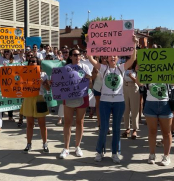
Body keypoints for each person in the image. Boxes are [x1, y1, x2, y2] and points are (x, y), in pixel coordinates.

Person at [88, 35, 138, 163]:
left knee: (116, 129)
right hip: (104, 102)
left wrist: (134, 44)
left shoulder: (121, 68)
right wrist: (89, 44)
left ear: (118, 58)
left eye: (115, 55)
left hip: (118, 103)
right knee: (104, 128)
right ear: (107, 58)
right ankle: (99, 152)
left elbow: (133, 58)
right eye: (110, 55)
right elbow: (90, 58)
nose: (113, 57)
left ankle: (115, 153)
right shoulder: (103, 68)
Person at [58, 49, 92, 159]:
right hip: (68, 98)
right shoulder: (65, 68)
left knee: (80, 122)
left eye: (79, 54)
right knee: (67, 122)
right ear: (71, 57)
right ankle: (66, 148)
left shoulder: (85, 67)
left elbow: (90, 85)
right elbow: (60, 83)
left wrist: (89, 78)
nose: (77, 56)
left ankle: (77, 146)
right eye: (75, 55)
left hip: (82, 97)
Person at [21, 56, 51, 153]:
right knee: (29, 124)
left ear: (37, 63)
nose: (31, 62)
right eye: (29, 61)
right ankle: (28, 144)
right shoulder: (24, 73)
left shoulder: (43, 74)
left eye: (33, 61)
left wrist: (43, 83)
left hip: (39, 99)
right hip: (28, 99)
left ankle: (45, 143)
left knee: (42, 124)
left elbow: (48, 89)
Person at [142, 83, 174, 166]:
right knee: (152, 131)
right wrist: (139, 71)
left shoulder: (168, 70)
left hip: (165, 104)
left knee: (166, 132)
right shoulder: (148, 71)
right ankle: (152, 155)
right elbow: (139, 83)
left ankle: (166, 156)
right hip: (150, 104)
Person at [122, 60, 140, 140]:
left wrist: (131, 76)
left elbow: (138, 81)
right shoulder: (123, 69)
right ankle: (127, 129)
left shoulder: (135, 70)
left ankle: (135, 130)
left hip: (134, 88)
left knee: (134, 110)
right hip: (125, 88)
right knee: (126, 110)